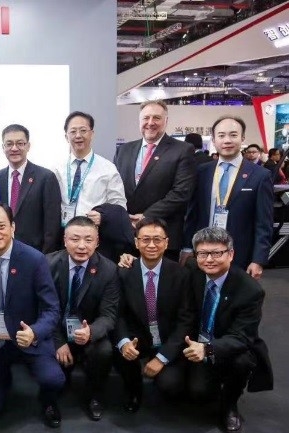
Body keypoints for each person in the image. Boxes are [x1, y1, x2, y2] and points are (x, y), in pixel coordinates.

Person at [0, 203, 64, 428]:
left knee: (53, 379)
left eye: (1, 226)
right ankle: (2, 377)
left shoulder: (34, 259)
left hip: (26, 337)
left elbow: (52, 308)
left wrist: (35, 332)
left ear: (13, 227)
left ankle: (48, 401)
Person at [183, 227, 272, 432]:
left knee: (243, 361)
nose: (209, 259)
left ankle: (230, 405)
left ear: (230, 254)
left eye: (217, 253)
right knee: (198, 394)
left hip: (230, 345)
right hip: (196, 341)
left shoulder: (250, 290)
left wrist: (208, 349)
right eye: (203, 253)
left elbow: (241, 337)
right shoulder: (192, 269)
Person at [113, 218, 194, 413]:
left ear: (166, 243)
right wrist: (124, 342)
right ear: (136, 243)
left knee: (170, 386)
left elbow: (185, 320)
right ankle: (133, 391)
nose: (151, 245)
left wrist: (162, 357)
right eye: (145, 239)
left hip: (167, 338)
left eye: (157, 239)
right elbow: (118, 313)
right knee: (120, 351)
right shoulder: (123, 272)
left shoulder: (181, 275)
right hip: (137, 336)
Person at [182, 116, 273, 279]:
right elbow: (192, 214)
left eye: (233, 135)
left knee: (236, 294)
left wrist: (258, 260)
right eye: (221, 135)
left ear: (242, 138)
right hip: (204, 253)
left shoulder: (260, 175)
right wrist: (188, 247)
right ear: (214, 140)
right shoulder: (202, 172)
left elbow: (263, 223)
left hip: (240, 255)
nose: (227, 140)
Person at [46, 216, 119, 421]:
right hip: (57, 330)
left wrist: (91, 332)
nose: (81, 246)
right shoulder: (48, 264)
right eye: (75, 239)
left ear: (97, 242)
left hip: (89, 331)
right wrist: (58, 342)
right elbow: (43, 308)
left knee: (103, 350)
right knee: (54, 378)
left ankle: (95, 396)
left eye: (88, 240)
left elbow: (109, 315)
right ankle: (52, 396)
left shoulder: (108, 269)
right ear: (65, 240)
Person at [114, 100, 196, 261]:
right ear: (139, 121)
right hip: (127, 236)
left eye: (156, 118)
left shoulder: (182, 150)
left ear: (166, 121)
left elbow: (181, 193)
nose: (150, 123)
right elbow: (114, 187)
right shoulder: (123, 150)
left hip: (162, 237)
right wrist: (123, 217)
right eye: (146, 118)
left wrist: (146, 216)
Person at [54, 112, 130, 260]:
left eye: (83, 130)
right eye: (73, 131)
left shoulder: (108, 168)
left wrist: (104, 217)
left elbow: (120, 206)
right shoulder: (57, 169)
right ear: (66, 136)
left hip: (95, 241)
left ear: (92, 134)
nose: (78, 135)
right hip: (64, 238)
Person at [0, 124, 61, 253]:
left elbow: (52, 223)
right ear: (3, 147)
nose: (14, 148)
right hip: (2, 251)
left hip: (36, 253)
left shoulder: (46, 177)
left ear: (28, 146)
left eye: (20, 143)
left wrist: (45, 256)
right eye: (9, 144)